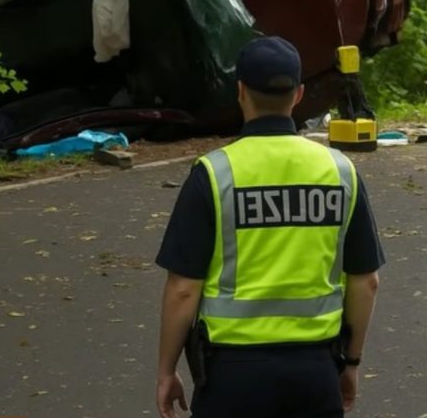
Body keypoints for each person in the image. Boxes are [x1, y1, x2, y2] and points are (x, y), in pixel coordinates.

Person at [154, 36, 384, 418]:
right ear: (298, 95)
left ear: (240, 91)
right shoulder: (341, 172)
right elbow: (366, 281)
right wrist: (352, 363)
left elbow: (183, 289)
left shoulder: (214, 174)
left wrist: (166, 371)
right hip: (315, 372)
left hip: (231, 377)